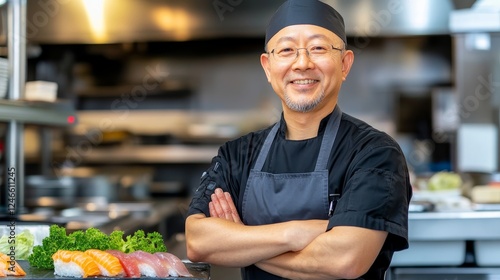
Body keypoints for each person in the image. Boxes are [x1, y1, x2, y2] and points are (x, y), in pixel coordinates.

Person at [185, 0, 412, 279]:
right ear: (268, 68)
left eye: (318, 48)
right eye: (286, 50)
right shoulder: (237, 154)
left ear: (344, 64)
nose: (302, 63)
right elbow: (199, 242)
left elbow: (345, 259)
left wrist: (243, 240)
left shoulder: (375, 153)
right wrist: (298, 233)